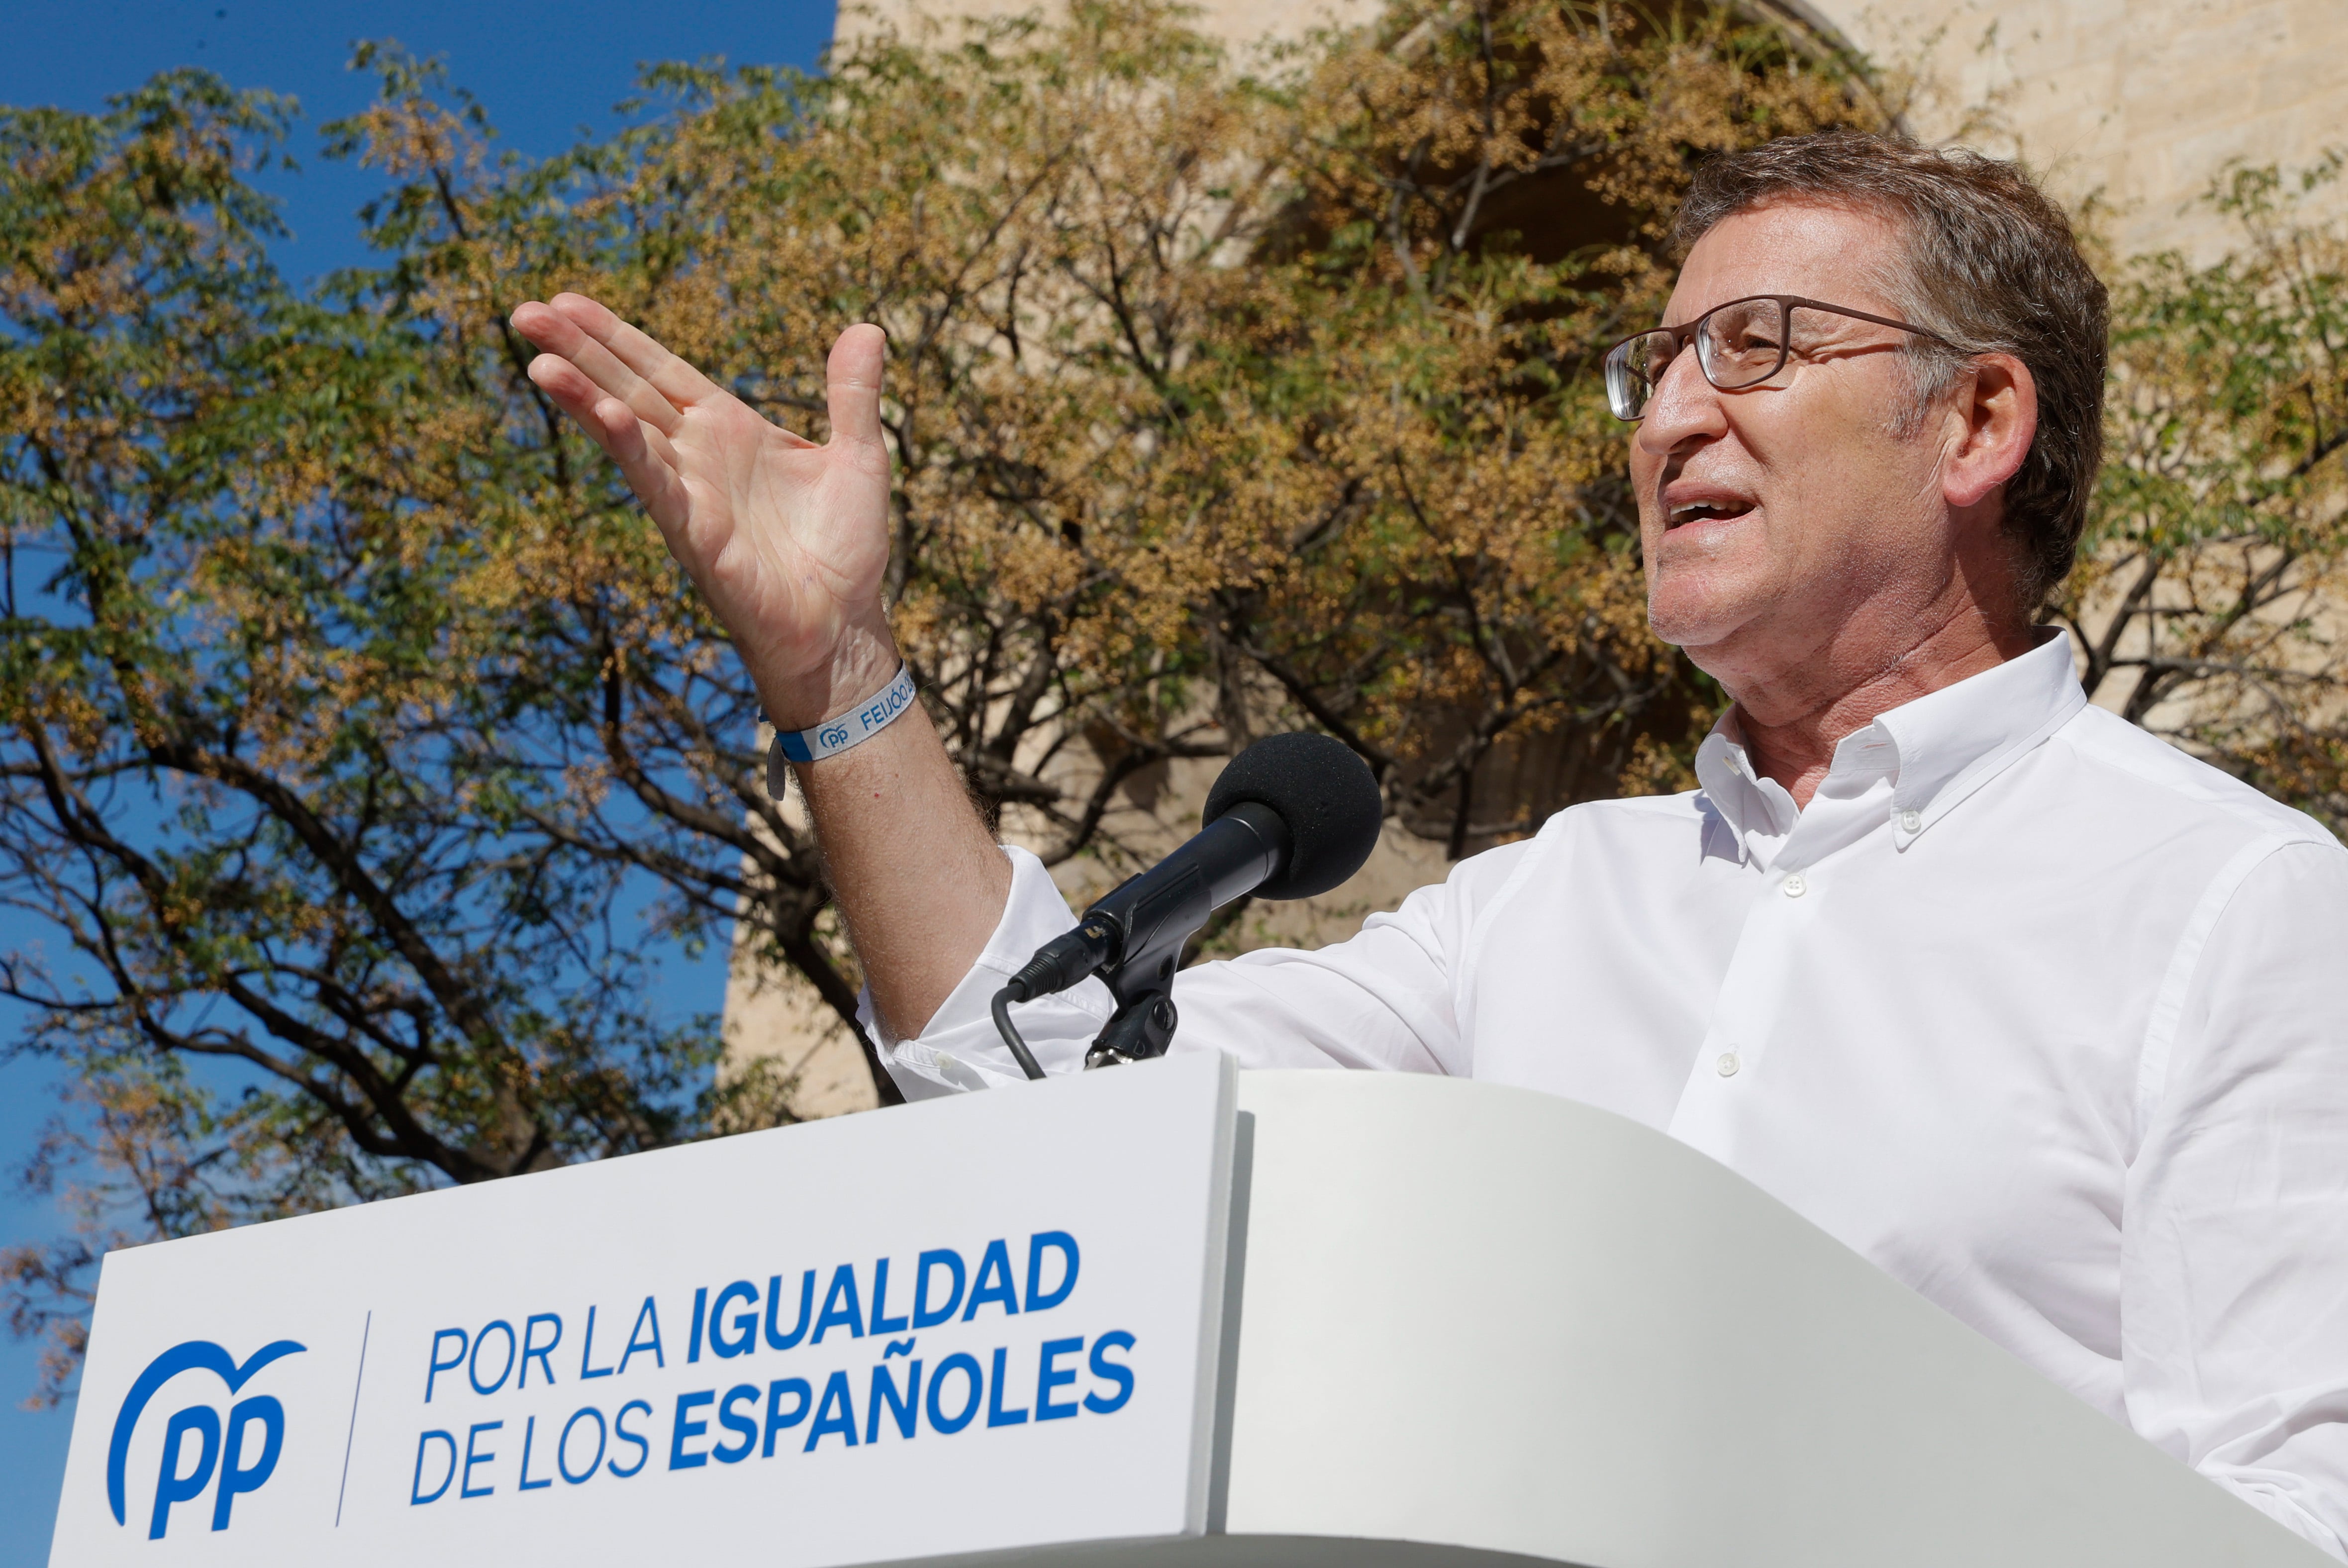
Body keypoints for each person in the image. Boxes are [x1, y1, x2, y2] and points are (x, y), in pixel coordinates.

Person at [512, 130, 2348, 1555]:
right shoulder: (1547, 903)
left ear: (1977, 418)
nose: (1674, 416)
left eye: (1760, 346)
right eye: (1660, 367)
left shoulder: (2232, 909)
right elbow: (1045, 1088)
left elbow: (2287, 1516)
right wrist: (839, 666)